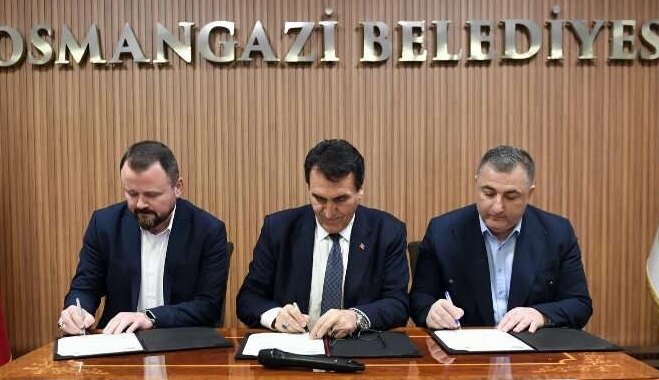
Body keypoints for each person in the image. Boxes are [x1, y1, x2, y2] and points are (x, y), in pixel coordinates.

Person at [236, 139, 409, 339]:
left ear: (360, 190)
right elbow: (248, 298)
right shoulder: (278, 229)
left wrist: (357, 317)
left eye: (340, 199)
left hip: (358, 347)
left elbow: (398, 304)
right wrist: (275, 316)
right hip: (293, 348)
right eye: (319, 199)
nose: (328, 212)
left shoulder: (387, 232)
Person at [410, 145, 592, 332]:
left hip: (532, 346)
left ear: (529, 194)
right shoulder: (442, 231)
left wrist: (541, 315)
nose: (497, 207)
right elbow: (420, 298)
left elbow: (579, 304)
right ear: (477, 184)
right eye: (488, 193)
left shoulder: (557, 233)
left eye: (511, 197)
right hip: (465, 346)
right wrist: (431, 311)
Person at [58, 140, 228, 335]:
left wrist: (150, 317)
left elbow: (208, 306)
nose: (140, 204)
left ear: (177, 187)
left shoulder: (208, 231)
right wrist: (76, 310)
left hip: (180, 343)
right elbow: (85, 287)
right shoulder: (104, 224)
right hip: (118, 342)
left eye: (151, 195)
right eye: (131, 193)